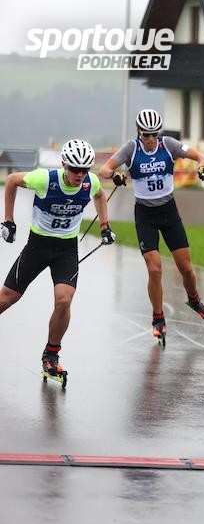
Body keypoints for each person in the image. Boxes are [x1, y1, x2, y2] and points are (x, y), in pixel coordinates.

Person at [99, 108, 204, 343]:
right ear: (138, 132)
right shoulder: (131, 148)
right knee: (154, 269)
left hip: (169, 212)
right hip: (145, 215)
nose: (152, 139)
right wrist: (115, 176)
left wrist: (202, 167)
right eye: (147, 135)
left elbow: (201, 157)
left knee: (186, 268)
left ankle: (195, 300)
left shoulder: (169, 145)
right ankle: (158, 318)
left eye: (155, 134)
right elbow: (104, 169)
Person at [0, 139, 115, 379]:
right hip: (38, 246)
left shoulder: (90, 182)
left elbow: (100, 195)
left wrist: (105, 226)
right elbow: (11, 181)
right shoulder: (45, 179)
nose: (80, 175)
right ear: (64, 164)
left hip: (66, 250)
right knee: (7, 298)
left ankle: (51, 356)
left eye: (85, 169)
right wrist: (9, 221)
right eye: (74, 169)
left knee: (64, 300)